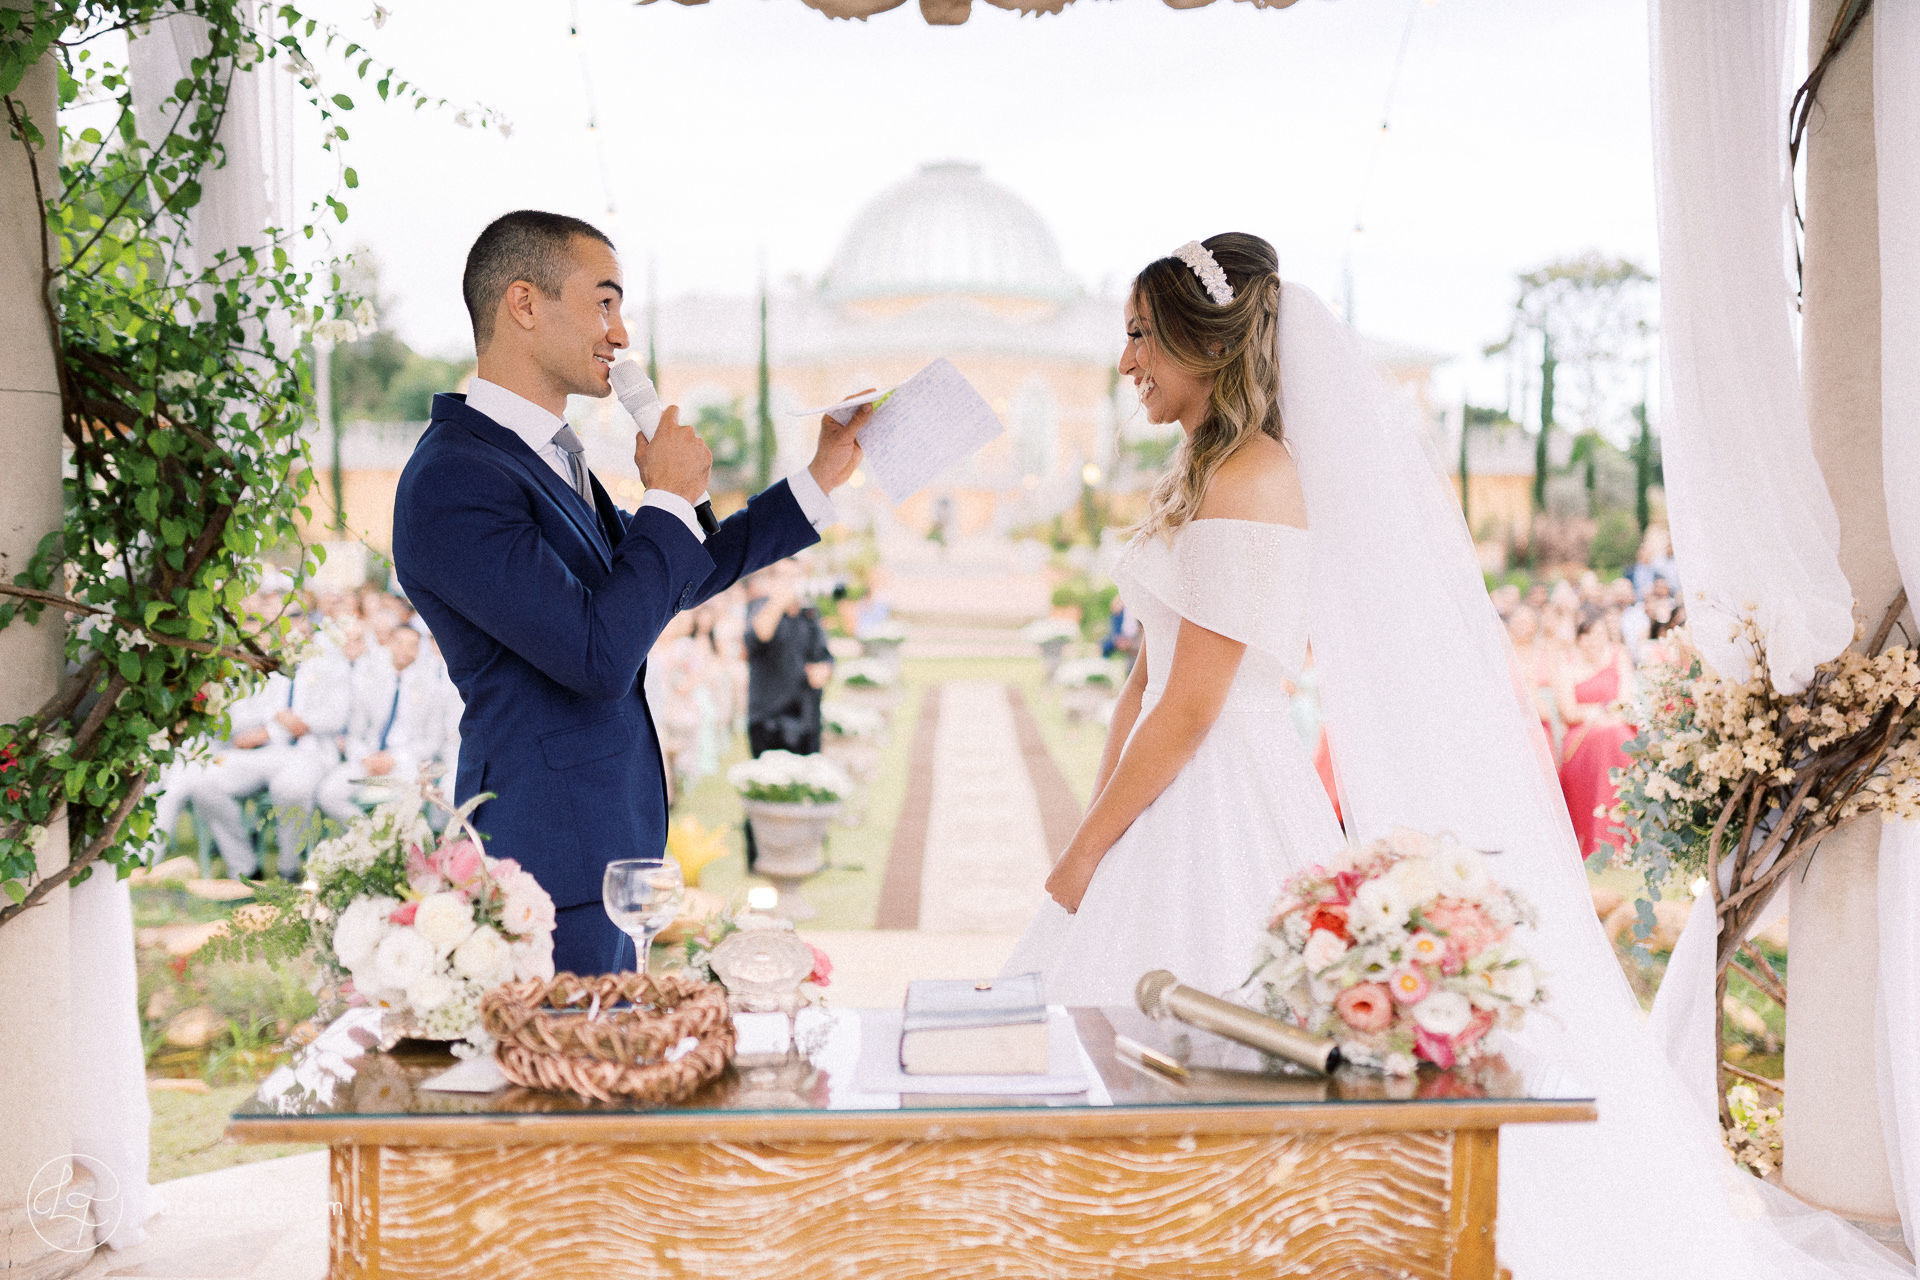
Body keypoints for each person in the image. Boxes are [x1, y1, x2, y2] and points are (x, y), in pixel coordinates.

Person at [1003, 235, 1904, 1279]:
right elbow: (1145, 683)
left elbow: (1195, 706)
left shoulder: (1254, 475)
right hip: (1164, 790)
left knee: (1206, 1028)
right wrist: (1095, 832)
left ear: (1205, 344)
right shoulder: (1202, 467)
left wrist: (1083, 852)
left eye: (1139, 336)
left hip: (1217, 793)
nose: (1125, 362)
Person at [391, 210, 866, 975]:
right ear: (523, 304)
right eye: (604, 302)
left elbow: (675, 575)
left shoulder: (546, 456)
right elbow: (597, 653)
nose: (620, 333)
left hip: (608, 842)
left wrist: (817, 480)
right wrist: (666, 498)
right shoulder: (456, 477)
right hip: (543, 861)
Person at [742, 558, 833, 868]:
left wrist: (824, 670)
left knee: (805, 788)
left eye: (796, 577)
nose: (790, 584)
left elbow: (824, 656)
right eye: (783, 577)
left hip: (805, 717)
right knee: (768, 790)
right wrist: (779, 600)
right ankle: (763, 857)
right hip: (769, 718)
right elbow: (759, 635)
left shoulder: (809, 615)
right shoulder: (761, 609)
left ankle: (803, 853)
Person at [1554, 613, 1637, 861]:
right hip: (1582, 734)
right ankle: (1603, 842)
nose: (1593, 641)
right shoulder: (1566, 664)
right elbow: (1568, 711)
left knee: (1616, 734)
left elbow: (1625, 700)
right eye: (1588, 635)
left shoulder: (1618, 656)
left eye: (1599, 634)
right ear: (1580, 638)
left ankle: (1628, 839)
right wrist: (1595, 713)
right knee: (1609, 734)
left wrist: (1608, 715)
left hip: (1616, 725)